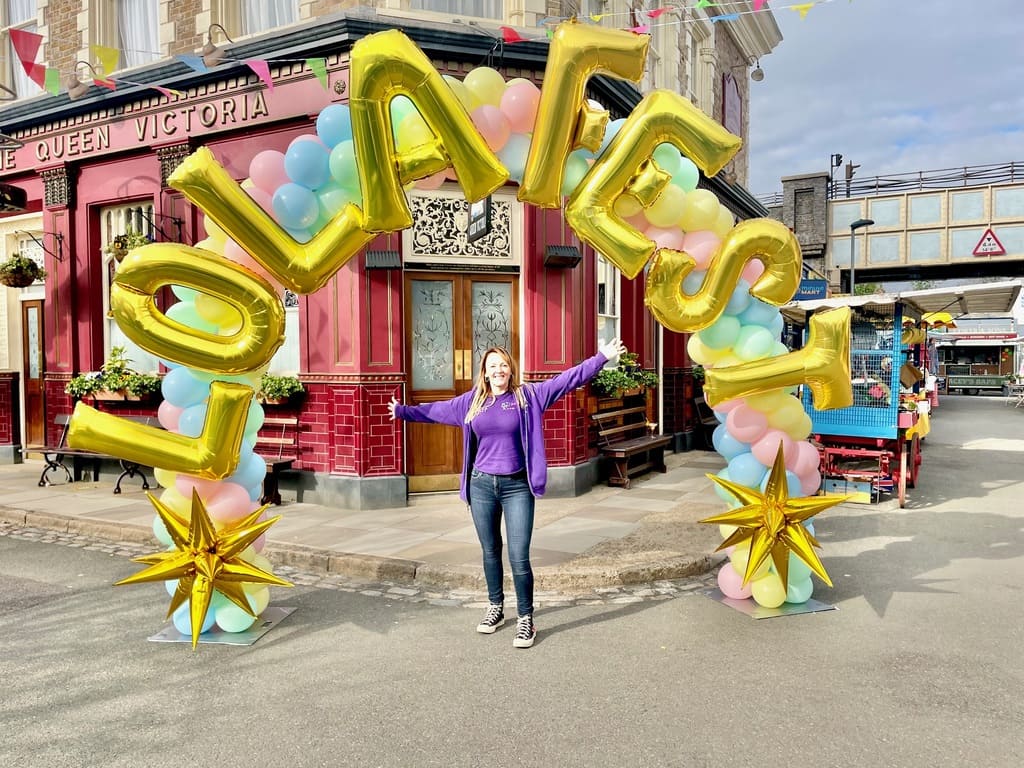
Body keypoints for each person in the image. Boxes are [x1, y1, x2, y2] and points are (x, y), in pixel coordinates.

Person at [388, 338, 626, 648]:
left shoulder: (528, 397)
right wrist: (404, 411)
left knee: (518, 556)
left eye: (503, 365)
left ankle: (526, 618)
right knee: (489, 550)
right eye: (492, 366)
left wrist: (601, 358)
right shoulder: (471, 402)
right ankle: (495, 608)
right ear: (484, 373)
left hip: (517, 487)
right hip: (482, 485)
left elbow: (568, 379)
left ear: (510, 369)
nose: (498, 370)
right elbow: (437, 411)